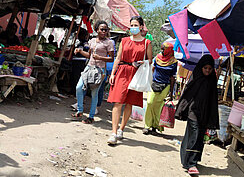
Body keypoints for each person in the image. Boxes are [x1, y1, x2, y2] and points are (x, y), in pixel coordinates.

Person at [107, 16, 152, 145]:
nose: (133, 28)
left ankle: (121, 129)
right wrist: (113, 73)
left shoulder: (146, 43)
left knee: (129, 103)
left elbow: (150, 60)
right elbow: (118, 57)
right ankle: (113, 133)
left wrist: (142, 62)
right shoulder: (124, 40)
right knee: (117, 102)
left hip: (136, 74)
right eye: (131, 25)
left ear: (142, 26)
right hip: (122, 71)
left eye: (136, 25)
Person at [175, 54, 219, 175]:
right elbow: (188, 94)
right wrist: (182, 109)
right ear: (201, 67)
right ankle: (191, 164)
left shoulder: (212, 80)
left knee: (199, 137)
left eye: (210, 69)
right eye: (205, 68)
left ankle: (188, 159)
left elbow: (213, 99)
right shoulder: (196, 78)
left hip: (205, 113)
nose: (207, 71)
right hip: (193, 112)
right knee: (194, 134)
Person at [72, 21, 114, 124]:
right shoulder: (92, 41)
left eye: (106, 29)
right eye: (102, 29)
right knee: (79, 87)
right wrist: (80, 51)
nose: (104, 31)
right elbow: (89, 55)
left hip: (99, 70)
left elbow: (111, 59)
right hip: (89, 68)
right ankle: (80, 110)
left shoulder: (109, 43)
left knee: (94, 94)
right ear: (97, 30)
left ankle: (91, 117)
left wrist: (100, 57)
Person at [143, 42, 177, 135]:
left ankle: (155, 126)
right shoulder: (157, 58)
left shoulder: (174, 62)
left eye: (164, 49)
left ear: (169, 50)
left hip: (165, 86)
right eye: (161, 49)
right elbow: (152, 69)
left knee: (158, 106)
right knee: (150, 103)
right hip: (154, 83)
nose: (162, 51)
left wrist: (171, 93)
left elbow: (172, 78)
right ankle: (147, 126)